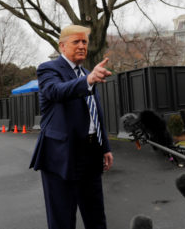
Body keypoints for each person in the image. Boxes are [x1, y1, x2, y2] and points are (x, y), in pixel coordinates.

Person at [29, 25, 113, 229]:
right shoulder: (48, 69)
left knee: (96, 217)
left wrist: (105, 147)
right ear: (62, 46)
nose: (82, 46)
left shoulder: (86, 72)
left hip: (91, 153)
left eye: (84, 42)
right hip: (61, 156)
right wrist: (89, 80)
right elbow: (56, 91)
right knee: (62, 220)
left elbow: (95, 112)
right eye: (76, 42)